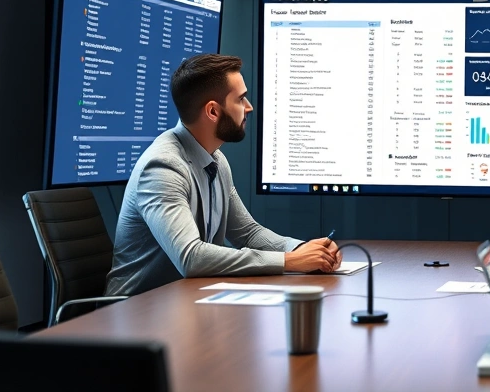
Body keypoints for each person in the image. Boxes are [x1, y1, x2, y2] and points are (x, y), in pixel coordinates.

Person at [106, 54, 341, 297]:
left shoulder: (215, 159)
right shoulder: (162, 168)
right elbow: (191, 257)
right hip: (137, 312)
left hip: (184, 302)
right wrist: (290, 260)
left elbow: (248, 233)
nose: (249, 107)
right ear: (213, 112)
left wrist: (304, 249)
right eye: (240, 99)